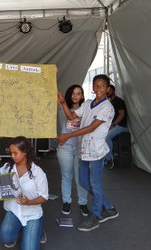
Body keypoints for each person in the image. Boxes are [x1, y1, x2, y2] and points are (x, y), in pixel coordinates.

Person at [57, 75, 119, 232]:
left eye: (102, 86)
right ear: (92, 87)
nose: (98, 89)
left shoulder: (107, 108)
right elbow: (71, 116)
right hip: (84, 150)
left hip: (96, 152)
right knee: (84, 182)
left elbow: (92, 127)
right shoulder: (87, 104)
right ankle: (110, 207)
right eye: (96, 86)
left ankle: (96, 216)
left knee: (95, 185)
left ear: (107, 89)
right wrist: (63, 102)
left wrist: (67, 136)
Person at [0, 136, 48, 249]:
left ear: (25, 152)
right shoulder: (8, 167)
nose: (12, 156)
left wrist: (28, 202)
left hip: (32, 213)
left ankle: (38, 229)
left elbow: (44, 197)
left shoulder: (38, 172)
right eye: (11, 153)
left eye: (15, 153)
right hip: (14, 210)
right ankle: (21, 229)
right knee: (5, 238)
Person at [56, 85, 89, 216]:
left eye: (79, 93)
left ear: (82, 96)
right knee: (66, 175)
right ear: (69, 95)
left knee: (81, 177)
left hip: (81, 147)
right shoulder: (61, 107)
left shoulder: (86, 109)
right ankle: (66, 201)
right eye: (73, 93)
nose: (75, 96)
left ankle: (83, 202)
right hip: (65, 147)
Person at [104, 84, 128, 169]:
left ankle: (110, 159)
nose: (108, 92)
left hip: (121, 126)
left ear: (113, 91)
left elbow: (122, 115)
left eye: (109, 91)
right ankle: (105, 157)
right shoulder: (110, 102)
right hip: (113, 125)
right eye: (107, 91)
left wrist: (113, 125)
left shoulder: (119, 101)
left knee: (106, 137)